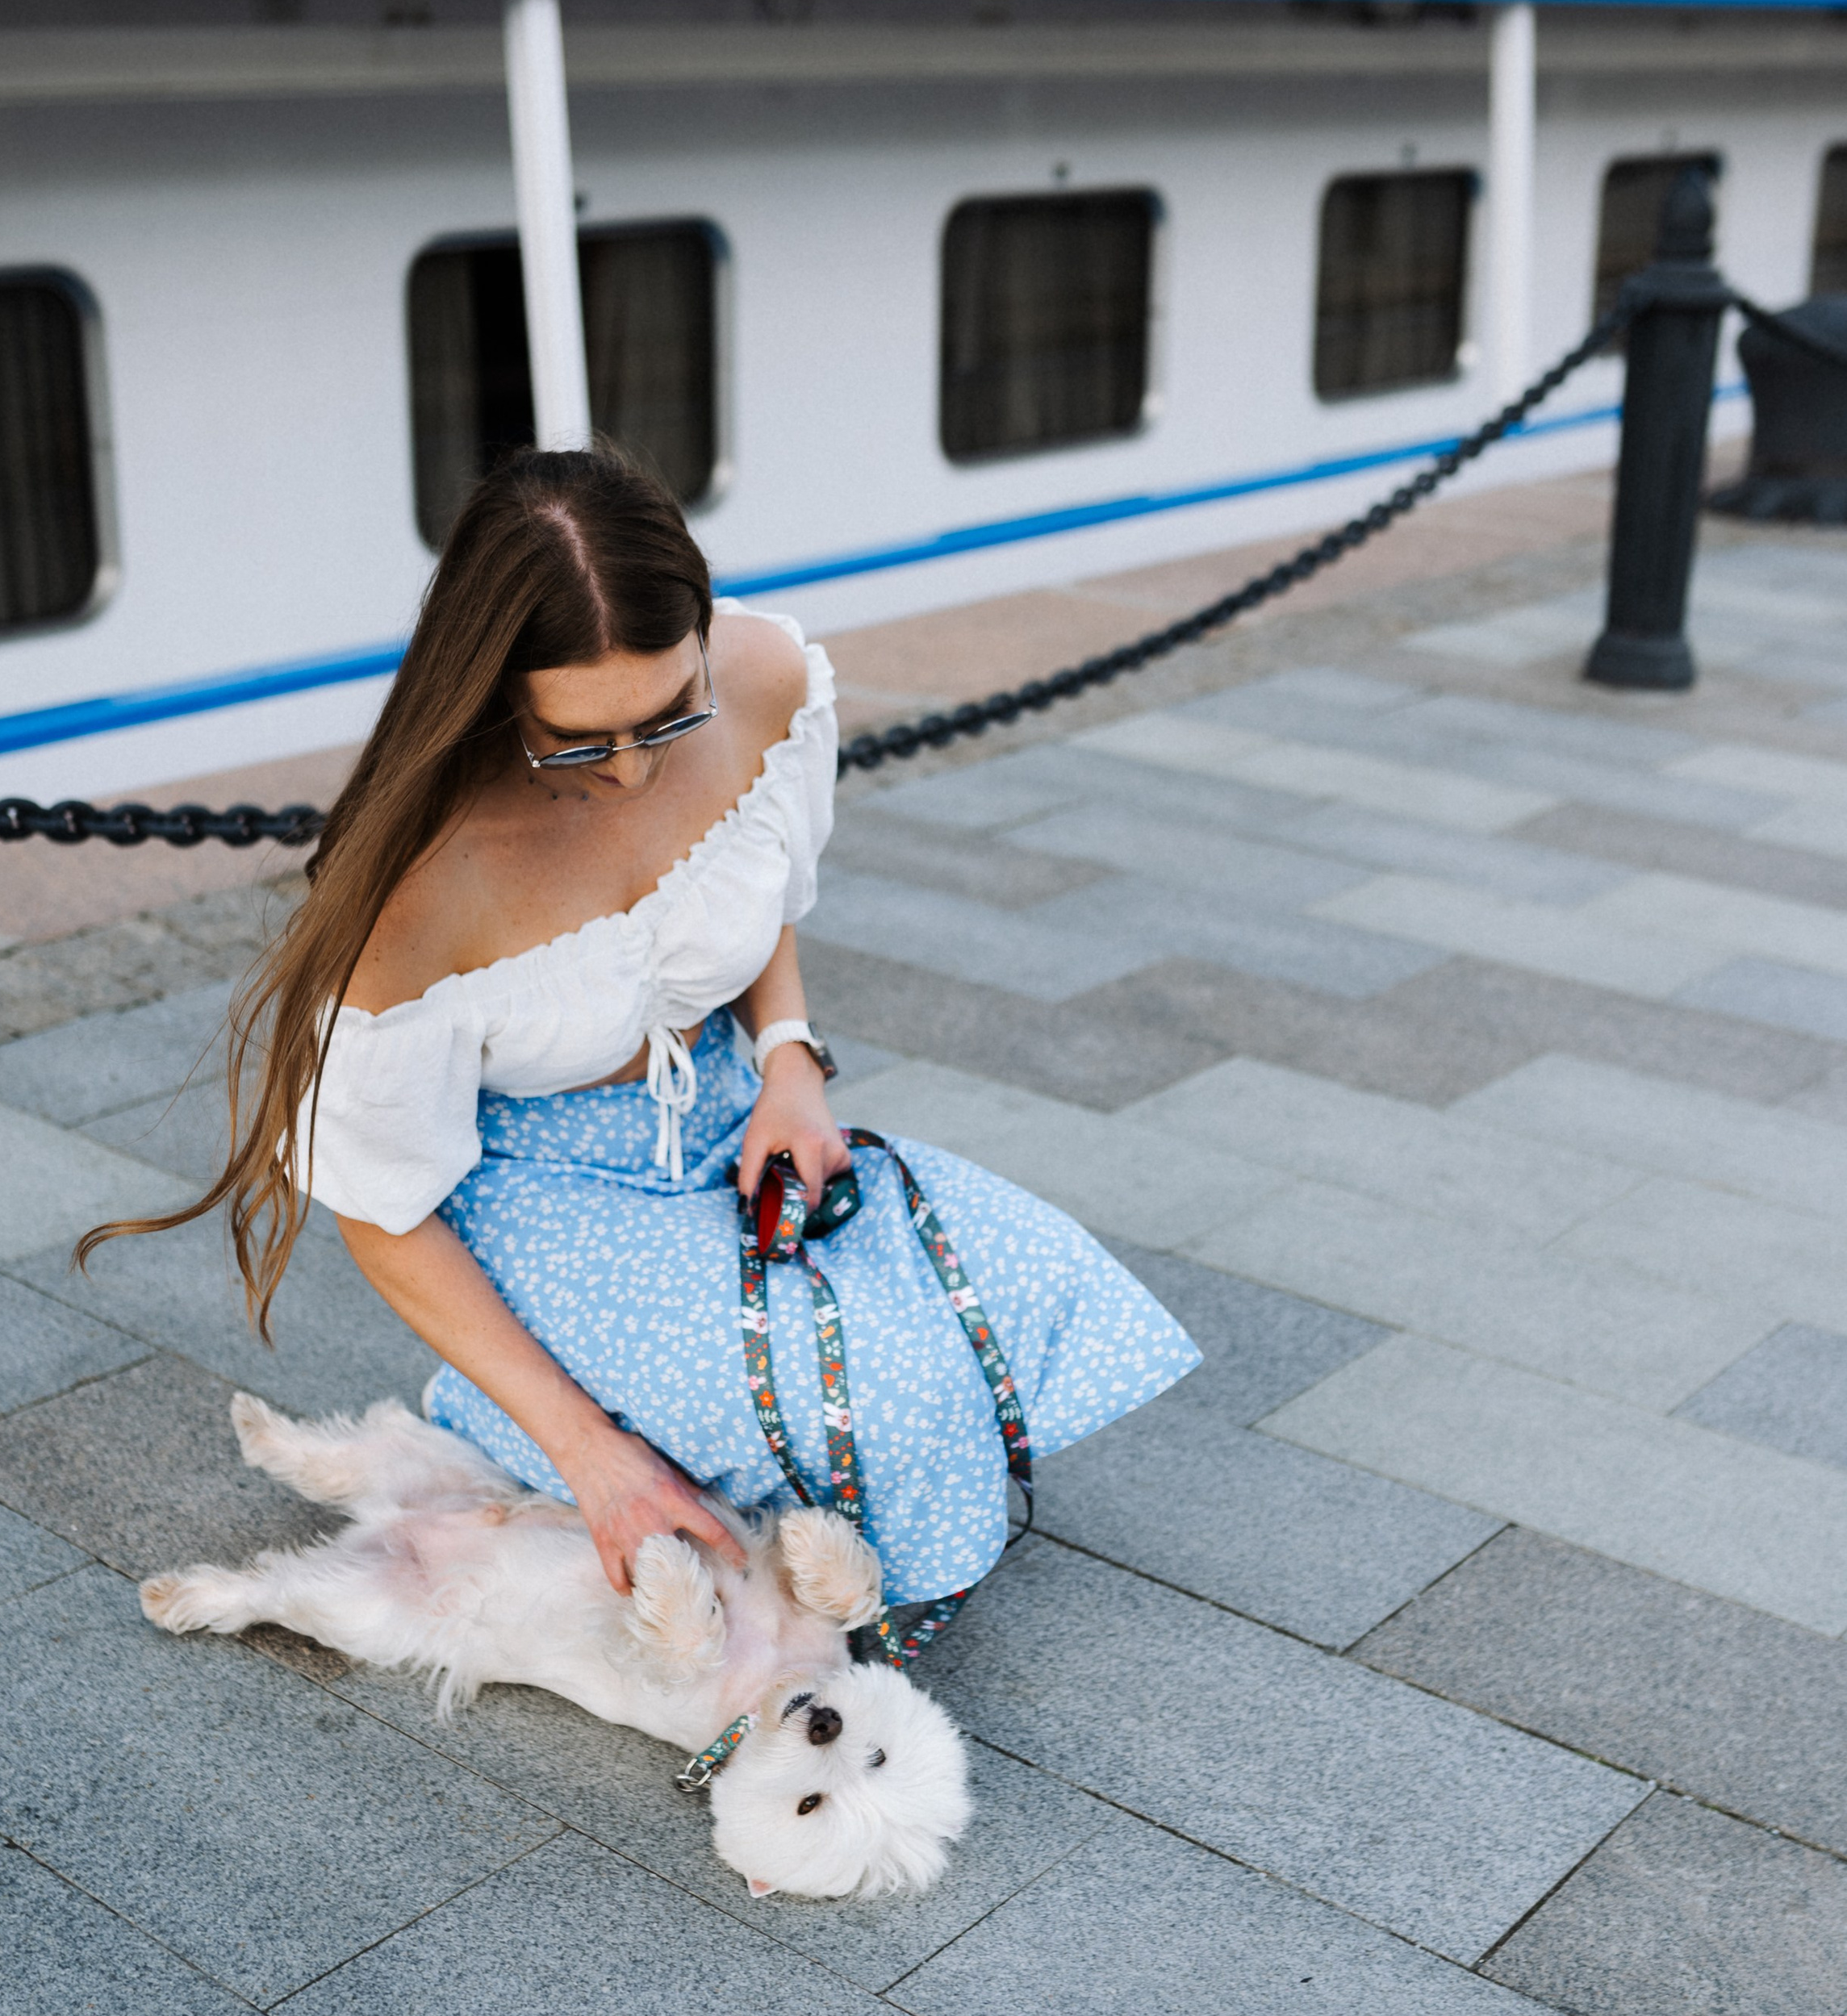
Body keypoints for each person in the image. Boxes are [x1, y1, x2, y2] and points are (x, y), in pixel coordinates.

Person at [88, 445, 1197, 1609]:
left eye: (669, 718)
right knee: (882, 1404)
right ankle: (527, 1408)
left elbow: (744, 888)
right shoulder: (422, 883)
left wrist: (788, 1064)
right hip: (542, 1193)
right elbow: (381, 1211)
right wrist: (592, 1456)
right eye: (574, 740)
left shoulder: (764, 676)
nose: (627, 773)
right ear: (494, 688)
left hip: (729, 1110)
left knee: (1019, 1272)